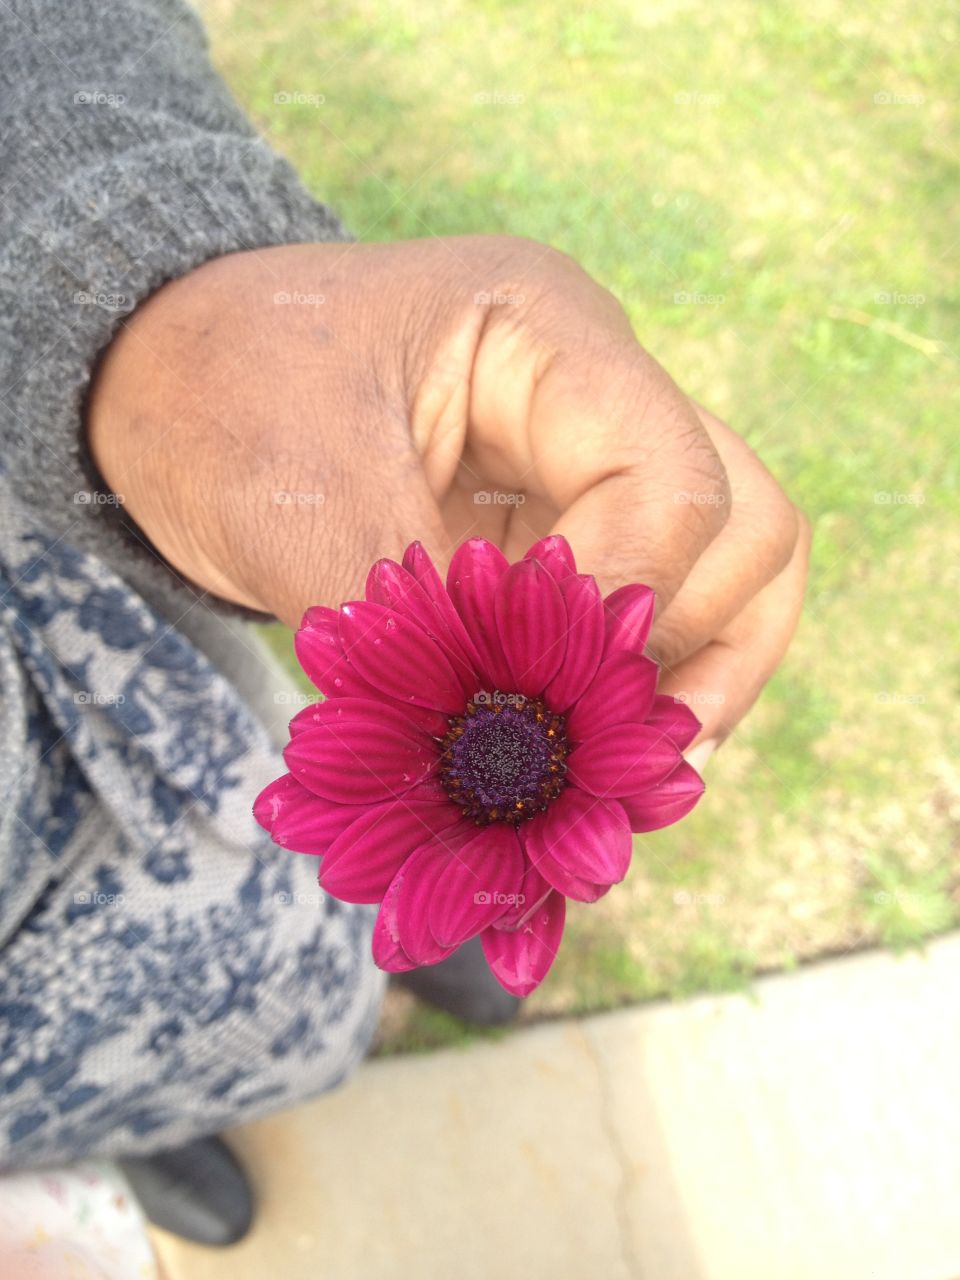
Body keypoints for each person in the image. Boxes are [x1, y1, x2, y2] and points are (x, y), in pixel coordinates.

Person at [0, 0, 809, 1247]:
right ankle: (144, 1102)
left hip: (84, 642)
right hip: (31, 1012)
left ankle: (400, 923)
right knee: (139, 1019)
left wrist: (146, 307)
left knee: (302, 802)